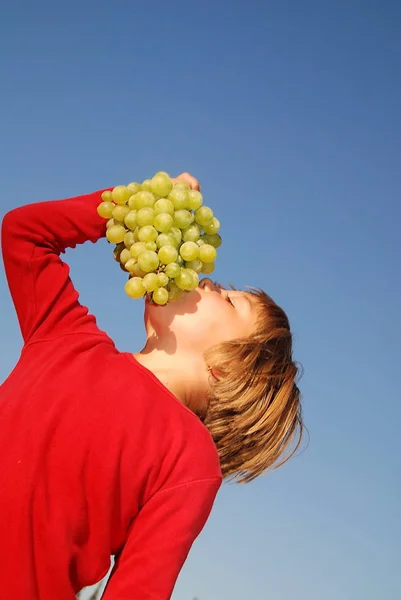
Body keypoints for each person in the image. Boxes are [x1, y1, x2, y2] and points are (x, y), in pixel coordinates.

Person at [0, 172, 303, 599]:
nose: (209, 281)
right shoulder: (67, 335)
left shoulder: (190, 461)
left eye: (231, 299)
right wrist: (130, 207)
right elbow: (24, 233)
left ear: (231, 366)